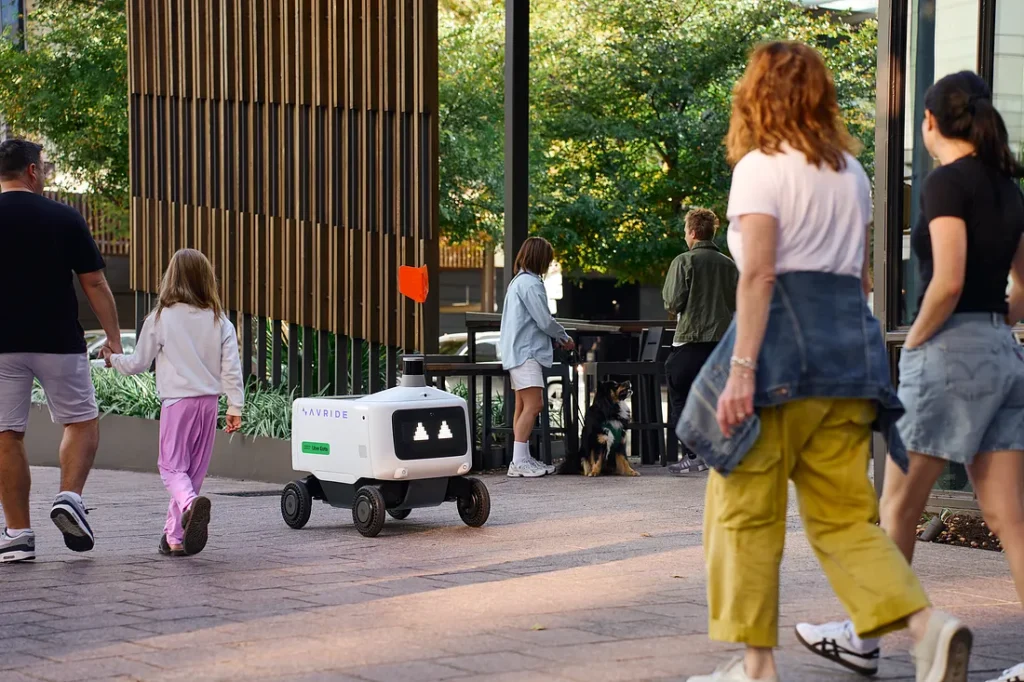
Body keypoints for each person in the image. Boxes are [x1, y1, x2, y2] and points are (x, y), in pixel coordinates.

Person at [678, 42, 972, 682]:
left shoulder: (760, 166)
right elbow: (862, 279)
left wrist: (742, 371)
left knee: (742, 510)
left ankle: (756, 667)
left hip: (781, 355)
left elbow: (757, 275)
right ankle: (929, 629)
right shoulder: (852, 173)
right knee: (844, 520)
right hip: (849, 358)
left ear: (758, 95)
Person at [796, 71, 1024, 682]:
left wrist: (916, 342)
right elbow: (1023, 287)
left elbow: (946, 280)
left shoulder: (946, 184)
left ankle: (866, 641)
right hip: (1002, 352)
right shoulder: (1008, 189)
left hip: (949, 352)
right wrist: (994, 323)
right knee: (1011, 518)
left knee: (896, 503)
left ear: (929, 124)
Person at [0, 139, 122, 564]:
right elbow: (95, 284)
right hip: (58, 341)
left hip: (1, 347)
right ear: (32, 171)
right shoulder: (64, 217)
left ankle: (17, 534)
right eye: (45, 167)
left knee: (7, 435)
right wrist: (114, 338)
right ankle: (69, 497)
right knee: (82, 422)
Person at [103, 248, 244, 556]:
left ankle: (192, 506)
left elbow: (139, 363)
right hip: (208, 404)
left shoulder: (161, 318)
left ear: (171, 277)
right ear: (207, 280)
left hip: (178, 403)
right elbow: (231, 366)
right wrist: (235, 406)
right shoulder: (220, 320)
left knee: (170, 468)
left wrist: (113, 358)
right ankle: (174, 538)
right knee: (192, 472)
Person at [662, 208, 738, 475]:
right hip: (721, 346)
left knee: (681, 398)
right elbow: (735, 303)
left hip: (689, 341)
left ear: (693, 232)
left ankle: (694, 455)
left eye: (685, 232)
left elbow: (672, 302)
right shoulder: (728, 264)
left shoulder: (684, 261)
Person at [499, 237, 574, 478]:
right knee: (534, 405)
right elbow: (544, 320)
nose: (549, 264)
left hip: (517, 350)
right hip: (527, 352)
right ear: (540, 258)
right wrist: (563, 337)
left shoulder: (517, 282)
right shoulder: (531, 284)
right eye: (548, 259)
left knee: (522, 406)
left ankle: (520, 459)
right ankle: (519, 462)